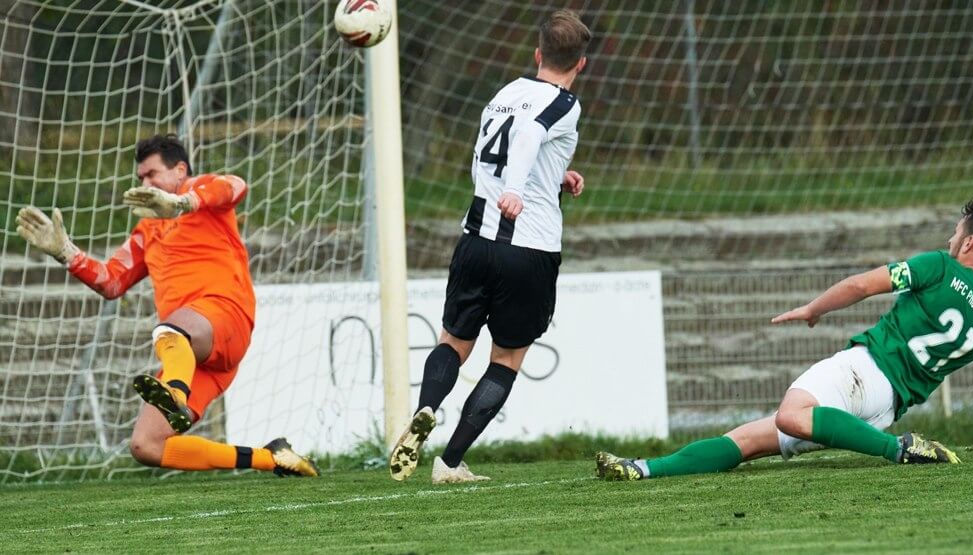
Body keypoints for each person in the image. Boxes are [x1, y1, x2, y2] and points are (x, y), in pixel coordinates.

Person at [598, 200, 973, 481]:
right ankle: (644, 469)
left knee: (791, 415)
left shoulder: (940, 266)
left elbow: (862, 284)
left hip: (862, 373)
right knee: (749, 441)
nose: (950, 240)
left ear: (969, 244)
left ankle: (899, 449)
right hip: (883, 411)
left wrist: (814, 309)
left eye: (955, 234)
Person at [16, 134, 318, 477]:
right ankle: (274, 458)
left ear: (180, 170)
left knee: (169, 329)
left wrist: (183, 203)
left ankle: (175, 393)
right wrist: (67, 253)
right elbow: (111, 281)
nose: (145, 183)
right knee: (147, 446)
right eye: (140, 178)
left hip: (224, 318)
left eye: (152, 174)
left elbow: (236, 185)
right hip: (192, 355)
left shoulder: (202, 192)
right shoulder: (146, 231)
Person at [389, 10, 591, 484]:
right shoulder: (565, 103)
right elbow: (528, 137)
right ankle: (451, 462)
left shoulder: (505, 94)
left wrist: (552, 178)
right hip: (529, 247)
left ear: (538, 53)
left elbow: (490, 158)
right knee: (506, 359)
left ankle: (425, 410)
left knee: (453, 342)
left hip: (476, 239)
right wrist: (520, 191)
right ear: (580, 64)